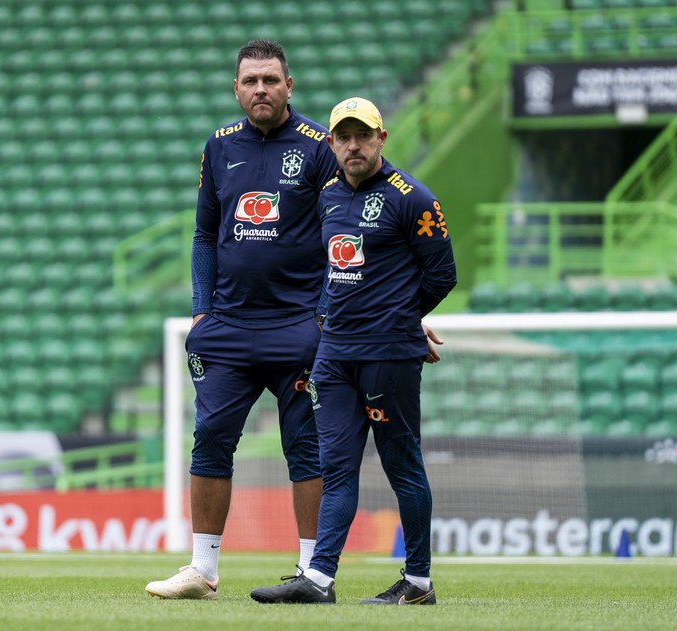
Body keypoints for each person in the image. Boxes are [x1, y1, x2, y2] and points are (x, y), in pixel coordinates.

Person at [145, 39, 339, 600]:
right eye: (250, 80)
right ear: (236, 88)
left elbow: (341, 230)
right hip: (228, 327)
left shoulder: (318, 147)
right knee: (209, 439)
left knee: (306, 448)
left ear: (289, 86)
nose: (261, 89)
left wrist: (325, 314)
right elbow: (205, 233)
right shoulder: (218, 145)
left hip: (298, 326)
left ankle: (312, 574)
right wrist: (200, 309)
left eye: (271, 80)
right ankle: (202, 570)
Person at [250, 97, 457, 605]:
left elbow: (442, 274)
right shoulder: (327, 197)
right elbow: (332, 272)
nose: (352, 145)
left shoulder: (414, 198)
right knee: (336, 466)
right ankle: (318, 579)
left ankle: (418, 582)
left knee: (401, 464)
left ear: (381, 139)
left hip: (387, 354)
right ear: (332, 143)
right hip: (334, 355)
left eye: (362, 135)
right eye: (343, 137)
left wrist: (401, 319)